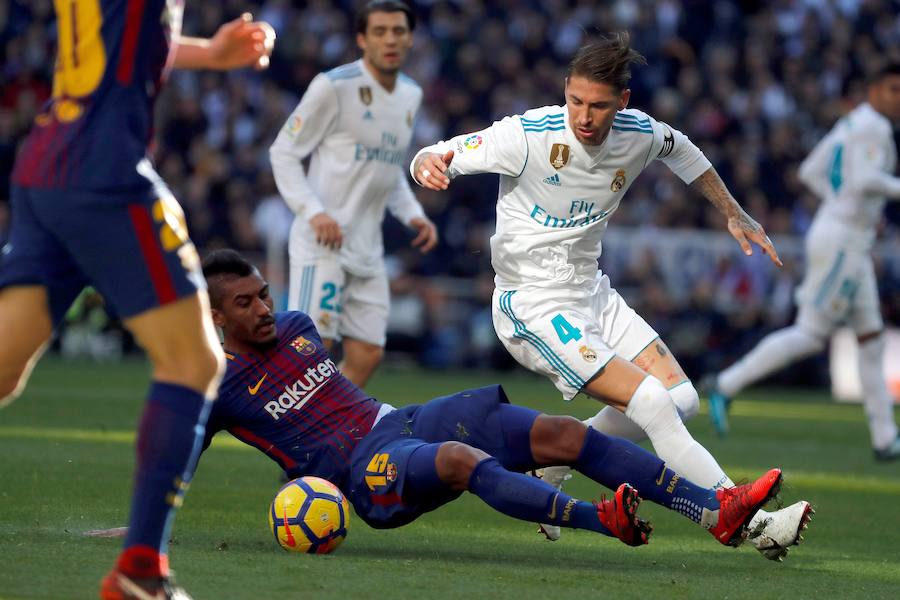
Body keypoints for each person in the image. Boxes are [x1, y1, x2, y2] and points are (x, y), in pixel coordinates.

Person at [409, 33, 811, 559]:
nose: (584, 116)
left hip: (592, 292)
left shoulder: (639, 134)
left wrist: (733, 211)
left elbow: (683, 150)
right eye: (575, 100)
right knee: (650, 402)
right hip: (533, 303)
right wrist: (427, 163)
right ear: (565, 91)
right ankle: (745, 519)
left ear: (623, 101)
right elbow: (441, 151)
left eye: (598, 105)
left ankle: (556, 456)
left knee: (681, 400)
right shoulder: (528, 135)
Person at [200, 248, 787, 552]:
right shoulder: (215, 384)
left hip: (398, 421)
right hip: (364, 473)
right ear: (217, 315)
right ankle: (601, 520)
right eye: (245, 303)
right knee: (461, 460)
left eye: (264, 294)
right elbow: (179, 453)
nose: (264, 309)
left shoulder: (299, 327)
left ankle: (715, 510)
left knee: (564, 433)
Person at [0, 3, 274, 599]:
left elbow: (115, 39)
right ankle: (141, 574)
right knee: (194, 362)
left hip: (50, 156)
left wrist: (208, 53)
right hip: (106, 171)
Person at [704, 62, 900, 461]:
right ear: (875, 90)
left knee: (871, 337)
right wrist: (849, 206)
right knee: (811, 333)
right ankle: (724, 384)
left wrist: (840, 202)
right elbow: (864, 179)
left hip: (844, 236)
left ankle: (885, 439)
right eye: (894, 89)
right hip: (843, 242)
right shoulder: (875, 127)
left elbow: (810, 171)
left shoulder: (851, 123)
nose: (899, 99)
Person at [269, 0, 437, 388]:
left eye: (398, 31)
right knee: (312, 350)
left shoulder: (410, 94)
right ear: (362, 39)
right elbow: (283, 152)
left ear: (410, 39)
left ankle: (322, 421)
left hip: (367, 247)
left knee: (367, 354)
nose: (390, 40)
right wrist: (314, 212)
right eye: (380, 32)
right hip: (324, 242)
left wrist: (412, 213)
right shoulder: (334, 86)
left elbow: (388, 167)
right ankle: (278, 420)